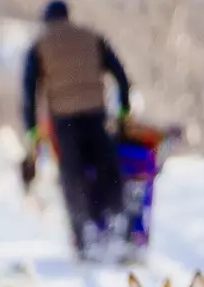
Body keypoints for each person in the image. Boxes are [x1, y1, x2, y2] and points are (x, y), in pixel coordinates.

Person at [21, 1, 132, 259]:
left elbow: (29, 92)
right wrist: (124, 111)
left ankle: (84, 233)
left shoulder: (40, 45)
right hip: (96, 114)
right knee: (106, 166)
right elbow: (120, 74)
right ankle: (116, 221)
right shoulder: (90, 36)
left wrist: (32, 131)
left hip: (65, 120)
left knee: (72, 173)